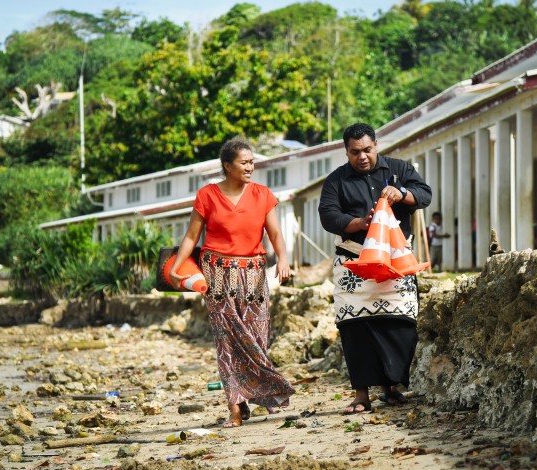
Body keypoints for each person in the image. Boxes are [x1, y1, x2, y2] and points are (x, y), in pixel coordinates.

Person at [167, 138, 295, 428]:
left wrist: (284, 259)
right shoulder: (207, 195)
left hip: (254, 275)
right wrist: (176, 268)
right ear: (228, 166)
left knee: (257, 337)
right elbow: (191, 236)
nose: (251, 166)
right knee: (226, 341)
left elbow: (275, 233)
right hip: (216, 275)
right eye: (244, 162)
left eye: (252, 161)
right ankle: (235, 408)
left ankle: (254, 394)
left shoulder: (263, 194)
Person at [318, 123, 432, 414]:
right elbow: (329, 216)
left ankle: (391, 387)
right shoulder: (336, 181)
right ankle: (361, 395)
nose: (362, 156)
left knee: (400, 321)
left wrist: (401, 193)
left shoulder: (399, 168)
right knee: (356, 328)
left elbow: (424, 194)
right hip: (353, 262)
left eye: (367, 150)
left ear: (376, 145)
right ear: (346, 151)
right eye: (355, 152)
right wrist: (360, 223)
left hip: (396, 260)